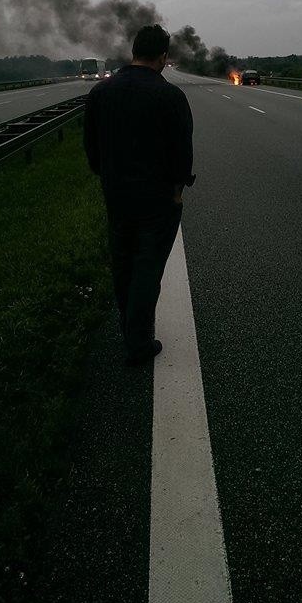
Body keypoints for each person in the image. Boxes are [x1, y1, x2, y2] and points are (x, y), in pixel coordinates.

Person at [84, 24, 195, 365]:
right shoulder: (170, 96)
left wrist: (108, 178)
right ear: (163, 57)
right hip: (157, 199)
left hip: (117, 196)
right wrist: (177, 192)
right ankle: (138, 342)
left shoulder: (101, 93)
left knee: (123, 262)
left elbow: (92, 149)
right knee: (147, 266)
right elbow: (182, 153)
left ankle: (127, 323)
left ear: (133, 52)